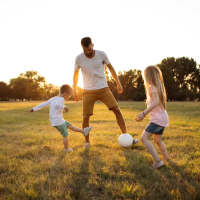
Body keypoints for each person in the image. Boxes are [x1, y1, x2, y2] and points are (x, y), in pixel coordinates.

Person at [73, 37, 138, 147]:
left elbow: (111, 68)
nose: (87, 52)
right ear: (82, 48)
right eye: (85, 50)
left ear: (92, 45)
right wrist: (74, 90)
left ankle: (126, 136)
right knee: (85, 117)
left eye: (89, 49)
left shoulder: (101, 54)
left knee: (117, 110)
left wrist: (118, 83)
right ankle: (87, 142)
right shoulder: (79, 58)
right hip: (88, 91)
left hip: (103, 88)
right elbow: (75, 74)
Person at [30, 84, 92, 152]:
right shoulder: (61, 99)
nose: (69, 97)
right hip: (58, 121)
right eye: (69, 95)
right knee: (65, 134)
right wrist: (64, 107)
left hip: (57, 120)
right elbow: (57, 105)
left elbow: (44, 103)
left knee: (70, 126)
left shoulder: (53, 98)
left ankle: (83, 132)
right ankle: (66, 149)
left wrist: (34, 108)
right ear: (65, 94)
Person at [136, 65, 169, 169]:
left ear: (147, 77)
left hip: (157, 120)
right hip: (162, 119)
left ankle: (158, 162)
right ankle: (167, 158)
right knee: (158, 140)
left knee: (144, 138)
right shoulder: (157, 87)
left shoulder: (152, 88)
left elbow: (156, 102)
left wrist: (143, 113)